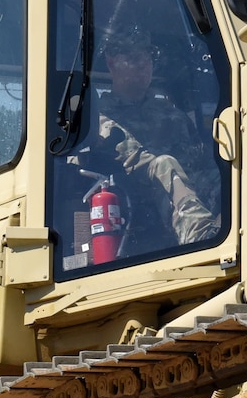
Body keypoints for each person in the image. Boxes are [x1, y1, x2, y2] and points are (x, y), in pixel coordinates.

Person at [94, 26, 219, 251]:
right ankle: (202, 238)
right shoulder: (100, 116)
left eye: (147, 57)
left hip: (190, 191)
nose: (143, 65)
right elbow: (135, 160)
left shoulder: (171, 113)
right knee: (164, 164)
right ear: (111, 63)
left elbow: (201, 159)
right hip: (140, 202)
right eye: (133, 58)